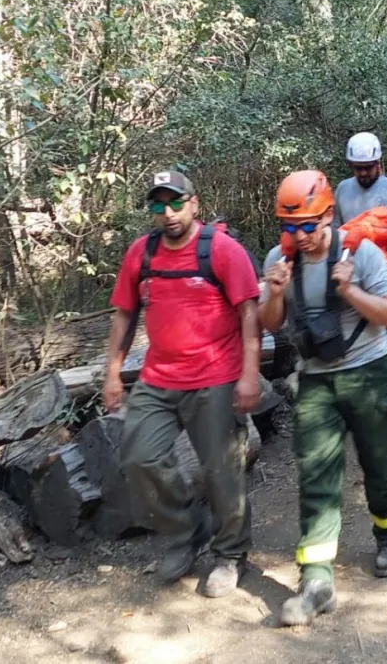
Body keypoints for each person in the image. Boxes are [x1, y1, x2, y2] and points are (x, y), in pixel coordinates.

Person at [103, 170, 261, 598]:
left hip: (215, 375)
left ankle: (231, 555)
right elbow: (123, 313)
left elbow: (249, 313)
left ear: (195, 203)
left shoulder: (222, 251)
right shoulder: (143, 253)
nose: (168, 213)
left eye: (175, 203)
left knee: (221, 471)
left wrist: (249, 374)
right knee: (138, 457)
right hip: (158, 376)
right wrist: (113, 372)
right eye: (158, 205)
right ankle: (187, 530)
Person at [260, 170, 387, 627]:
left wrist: (348, 288)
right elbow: (269, 323)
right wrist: (275, 292)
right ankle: (317, 580)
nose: (298, 237)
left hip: (370, 371)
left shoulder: (361, 252)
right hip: (317, 380)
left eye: (307, 225)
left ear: (327, 215)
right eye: (289, 227)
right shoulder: (279, 259)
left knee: (379, 466)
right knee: (316, 475)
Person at [333, 132, 387, 403]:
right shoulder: (342, 189)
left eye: (368, 167)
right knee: (361, 330)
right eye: (359, 168)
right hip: (354, 273)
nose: (364, 173)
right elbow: (335, 230)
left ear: (379, 164)